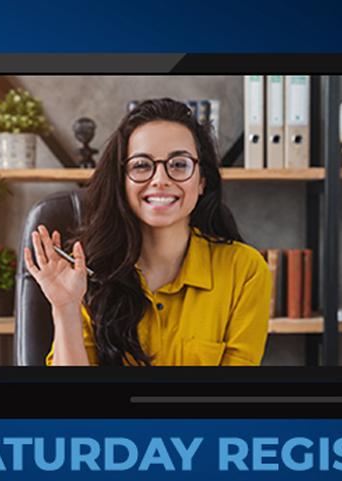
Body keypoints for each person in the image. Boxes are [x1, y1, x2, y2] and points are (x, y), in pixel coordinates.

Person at [23, 98, 271, 366]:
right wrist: (66, 308)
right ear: (122, 182)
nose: (160, 180)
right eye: (141, 165)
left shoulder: (245, 270)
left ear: (202, 181)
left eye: (179, 164)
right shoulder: (87, 271)